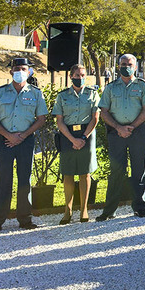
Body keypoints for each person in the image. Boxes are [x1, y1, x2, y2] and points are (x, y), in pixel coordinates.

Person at [0, 57, 48, 233]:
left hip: (25, 141)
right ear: (11, 71)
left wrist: (22, 136)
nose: (19, 72)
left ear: (29, 72)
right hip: (4, 141)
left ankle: (25, 219)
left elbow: (41, 118)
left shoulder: (36, 93)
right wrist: (9, 136)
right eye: (16, 68)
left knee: (24, 180)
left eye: (23, 69)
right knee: (2, 181)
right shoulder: (0, 92)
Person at [97, 53, 145, 220]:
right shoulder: (111, 87)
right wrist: (118, 128)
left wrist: (131, 127)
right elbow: (104, 112)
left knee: (139, 170)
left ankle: (139, 207)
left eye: (129, 64)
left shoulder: (142, 86)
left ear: (135, 67)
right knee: (116, 171)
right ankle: (109, 211)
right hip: (116, 134)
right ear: (118, 66)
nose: (126, 67)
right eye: (123, 64)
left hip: (137, 132)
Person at [53, 63, 100, 224]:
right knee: (68, 173)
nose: (80, 78)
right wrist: (73, 139)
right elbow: (59, 121)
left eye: (82, 75)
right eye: (77, 75)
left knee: (85, 173)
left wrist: (84, 138)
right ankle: (68, 210)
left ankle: (84, 209)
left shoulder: (92, 94)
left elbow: (95, 118)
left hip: (86, 134)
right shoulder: (62, 96)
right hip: (68, 135)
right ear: (71, 76)